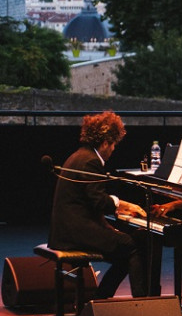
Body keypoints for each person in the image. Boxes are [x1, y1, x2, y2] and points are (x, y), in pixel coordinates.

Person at [48, 111, 162, 299]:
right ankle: (142, 304)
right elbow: (99, 202)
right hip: (75, 234)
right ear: (104, 143)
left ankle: (101, 299)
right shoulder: (91, 161)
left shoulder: (79, 156)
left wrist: (113, 220)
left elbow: (88, 201)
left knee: (125, 249)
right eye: (113, 144)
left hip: (66, 230)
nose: (114, 149)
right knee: (131, 246)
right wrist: (121, 205)